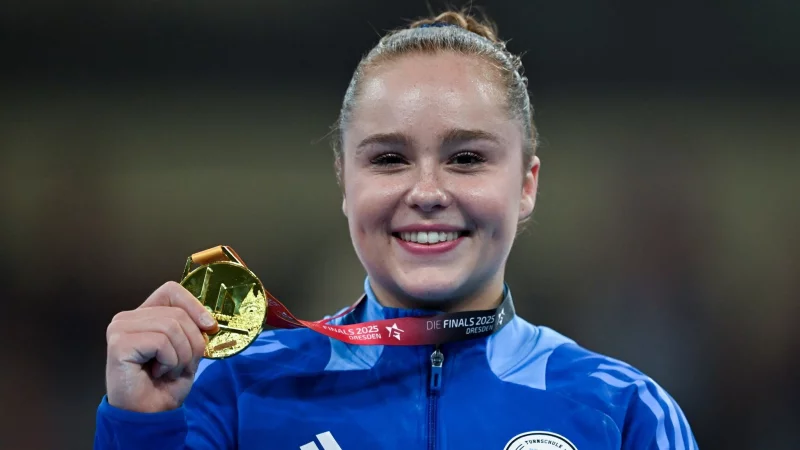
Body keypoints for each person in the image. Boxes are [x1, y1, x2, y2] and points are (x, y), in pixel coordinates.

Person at [95, 10, 698, 450]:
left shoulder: (623, 413)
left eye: (467, 158)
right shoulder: (232, 393)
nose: (428, 192)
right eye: (388, 159)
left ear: (526, 185)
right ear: (344, 180)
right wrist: (139, 426)